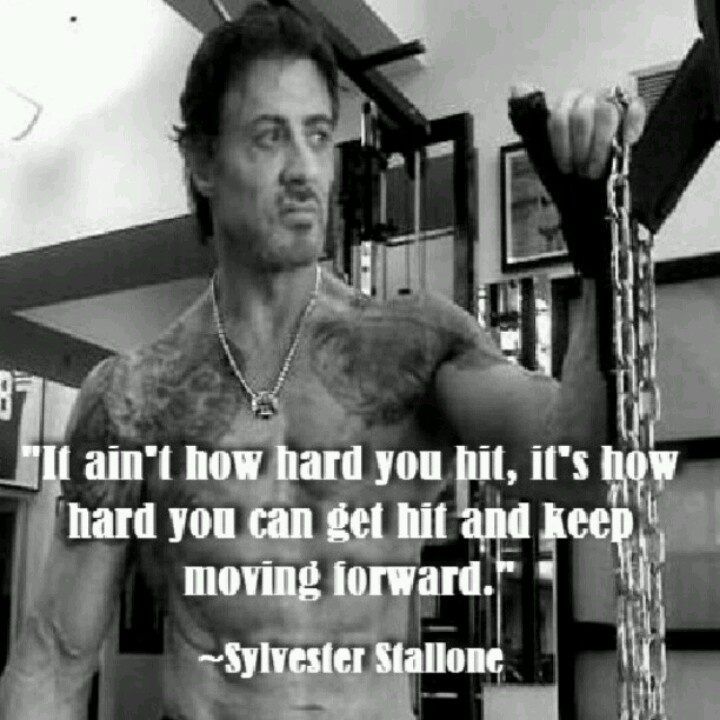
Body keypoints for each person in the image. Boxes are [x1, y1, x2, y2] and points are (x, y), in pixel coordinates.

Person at [0, 4, 645, 719]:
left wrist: (603, 264)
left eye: (316, 134)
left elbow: (578, 479)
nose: (305, 169)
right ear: (204, 164)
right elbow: (54, 654)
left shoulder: (414, 347)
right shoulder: (132, 398)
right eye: (270, 136)